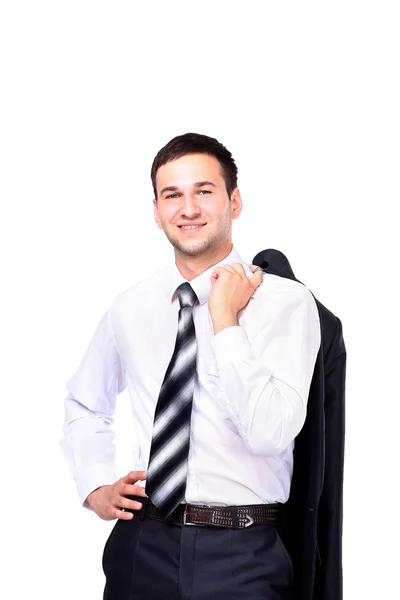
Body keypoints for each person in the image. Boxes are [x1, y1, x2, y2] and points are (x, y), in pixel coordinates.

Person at [60, 132, 321, 599]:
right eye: (172, 195)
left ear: (234, 202)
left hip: (243, 553)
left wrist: (224, 320)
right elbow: (84, 401)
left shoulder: (285, 303)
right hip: (143, 544)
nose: (189, 208)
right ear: (157, 211)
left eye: (204, 191)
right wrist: (95, 484)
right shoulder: (132, 305)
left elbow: (270, 432)